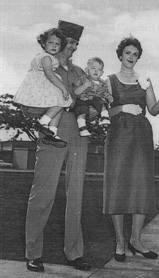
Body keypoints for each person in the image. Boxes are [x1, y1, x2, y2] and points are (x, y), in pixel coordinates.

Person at [25, 20, 91, 273]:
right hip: (53, 130)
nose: (73, 47)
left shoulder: (77, 71)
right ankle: (33, 253)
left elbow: (91, 106)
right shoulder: (44, 65)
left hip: (77, 131)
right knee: (43, 193)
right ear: (59, 41)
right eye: (70, 42)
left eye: (76, 43)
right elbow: (31, 103)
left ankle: (74, 253)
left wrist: (89, 104)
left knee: (76, 194)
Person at [103, 36, 159, 262]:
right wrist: (122, 107)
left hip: (141, 136)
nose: (131, 57)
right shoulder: (109, 81)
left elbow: (153, 109)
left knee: (141, 185)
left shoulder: (145, 80)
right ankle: (120, 242)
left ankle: (136, 240)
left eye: (135, 54)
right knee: (118, 186)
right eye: (128, 53)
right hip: (119, 137)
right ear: (120, 55)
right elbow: (105, 113)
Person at [13, 27, 72, 147]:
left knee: (61, 104)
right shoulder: (45, 57)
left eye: (57, 44)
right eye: (50, 43)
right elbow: (49, 74)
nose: (54, 46)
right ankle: (42, 123)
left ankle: (52, 133)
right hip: (37, 89)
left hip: (44, 88)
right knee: (61, 100)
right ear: (43, 43)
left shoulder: (51, 57)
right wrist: (63, 88)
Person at [73, 57, 113, 137]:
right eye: (93, 68)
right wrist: (85, 85)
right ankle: (82, 127)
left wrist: (109, 96)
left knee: (101, 101)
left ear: (102, 72)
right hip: (83, 99)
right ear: (87, 69)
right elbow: (76, 92)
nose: (96, 71)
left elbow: (105, 93)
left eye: (99, 69)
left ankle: (104, 117)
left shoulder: (102, 83)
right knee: (82, 109)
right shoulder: (83, 79)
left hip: (95, 100)